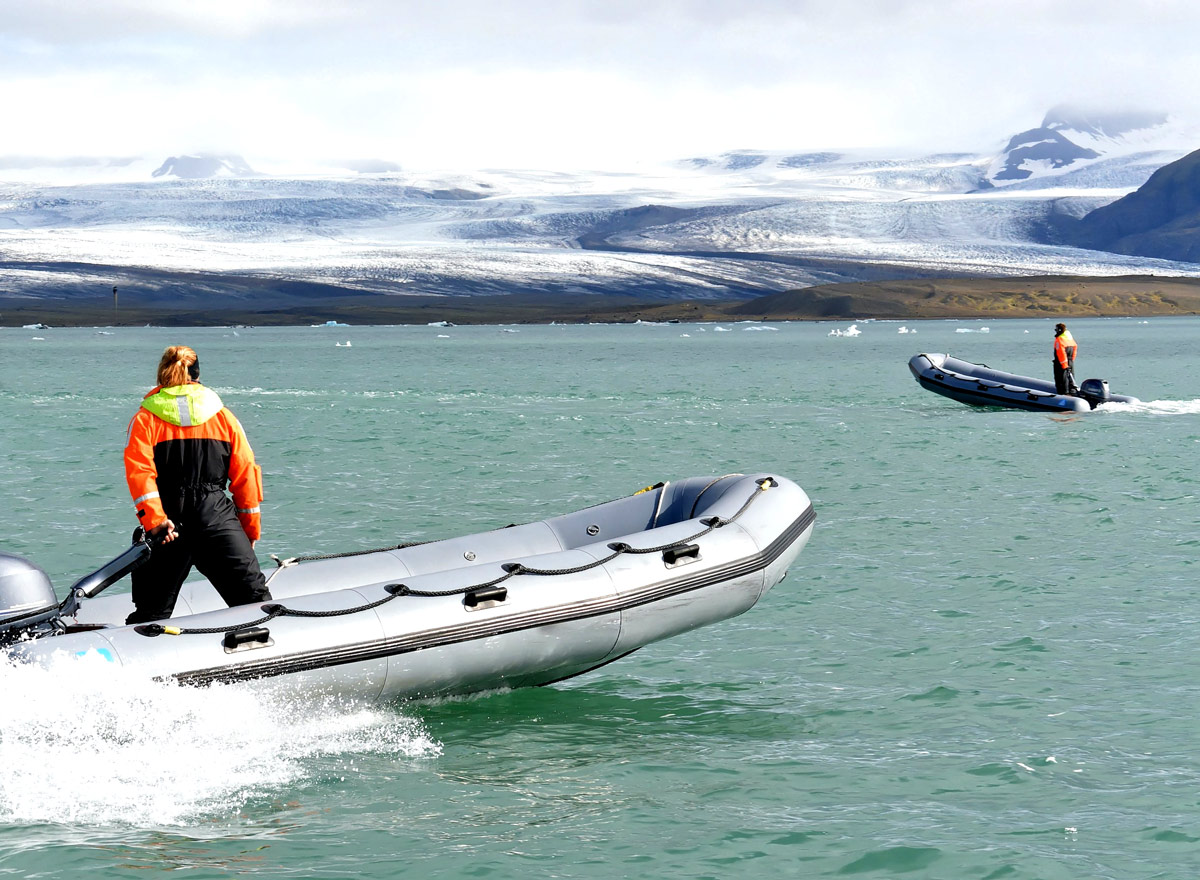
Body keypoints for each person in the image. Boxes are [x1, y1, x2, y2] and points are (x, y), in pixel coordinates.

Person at [123, 345, 271, 625]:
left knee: (151, 615)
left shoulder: (145, 419)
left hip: (167, 527)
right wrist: (249, 531)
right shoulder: (223, 416)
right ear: (198, 376)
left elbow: (140, 474)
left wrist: (155, 521)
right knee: (256, 604)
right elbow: (246, 477)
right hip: (216, 519)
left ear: (162, 375)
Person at [1052, 322, 1079, 395]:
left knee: (1061, 378)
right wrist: (1072, 360)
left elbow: (1061, 352)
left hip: (1061, 362)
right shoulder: (1070, 338)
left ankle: (1064, 393)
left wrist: (1064, 364)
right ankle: (1072, 391)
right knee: (1070, 376)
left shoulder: (1060, 340)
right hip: (1070, 361)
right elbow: (1075, 348)